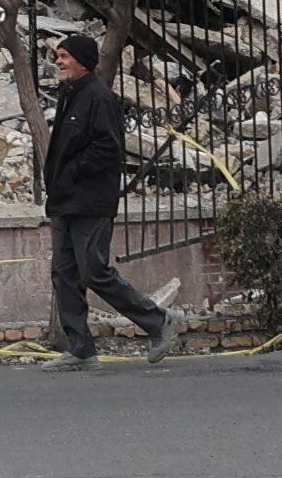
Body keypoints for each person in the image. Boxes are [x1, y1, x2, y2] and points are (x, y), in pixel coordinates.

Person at [34, 32, 180, 364]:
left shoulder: (99, 97)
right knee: (64, 273)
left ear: (83, 61)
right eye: (58, 56)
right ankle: (80, 349)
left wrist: (72, 173)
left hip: (90, 201)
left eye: (65, 56)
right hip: (66, 202)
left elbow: (107, 148)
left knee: (93, 272)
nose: (58, 61)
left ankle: (160, 321)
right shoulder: (72, 94)